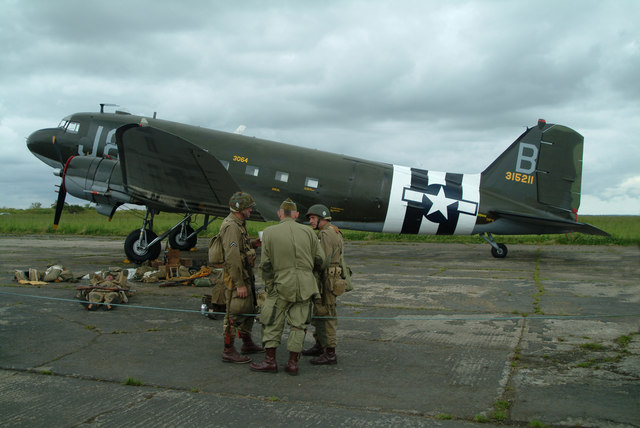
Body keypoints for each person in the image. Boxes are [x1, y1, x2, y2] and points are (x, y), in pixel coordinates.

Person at [250, 198, 325, 376]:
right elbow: (321, 260)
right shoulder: (308, 233)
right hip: (306, 286)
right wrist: (308, 274)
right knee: (299, 325)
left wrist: (270, 285)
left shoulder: (268, 233)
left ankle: (270, 361)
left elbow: (266, 265)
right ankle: (292, 363)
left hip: (280, 285)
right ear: (297, 215)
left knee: (271, 321)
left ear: (280, 214)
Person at [216, 191, 264, 364]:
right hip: (237, 277)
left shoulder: (239, 223)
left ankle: (247, 343)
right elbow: (232, 257)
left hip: (245, 274)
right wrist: (239, 284)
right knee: (235, 312)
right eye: (248, 208)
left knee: (248, 308)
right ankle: (228, 350)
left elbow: (241, 248)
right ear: (240, 209)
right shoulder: (231, 226)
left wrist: (253, 244)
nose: (251, 210)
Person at [303, 204, 346, 365]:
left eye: (313, 218)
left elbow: (322, 259)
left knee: (326, 314)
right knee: (320, 311)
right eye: (310, 218)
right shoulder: (333, 230)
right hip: (331, 277)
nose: (311, 221)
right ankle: (320, 345)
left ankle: (330, 352)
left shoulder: (325, 235)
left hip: (326, 279)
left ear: (322, 218)